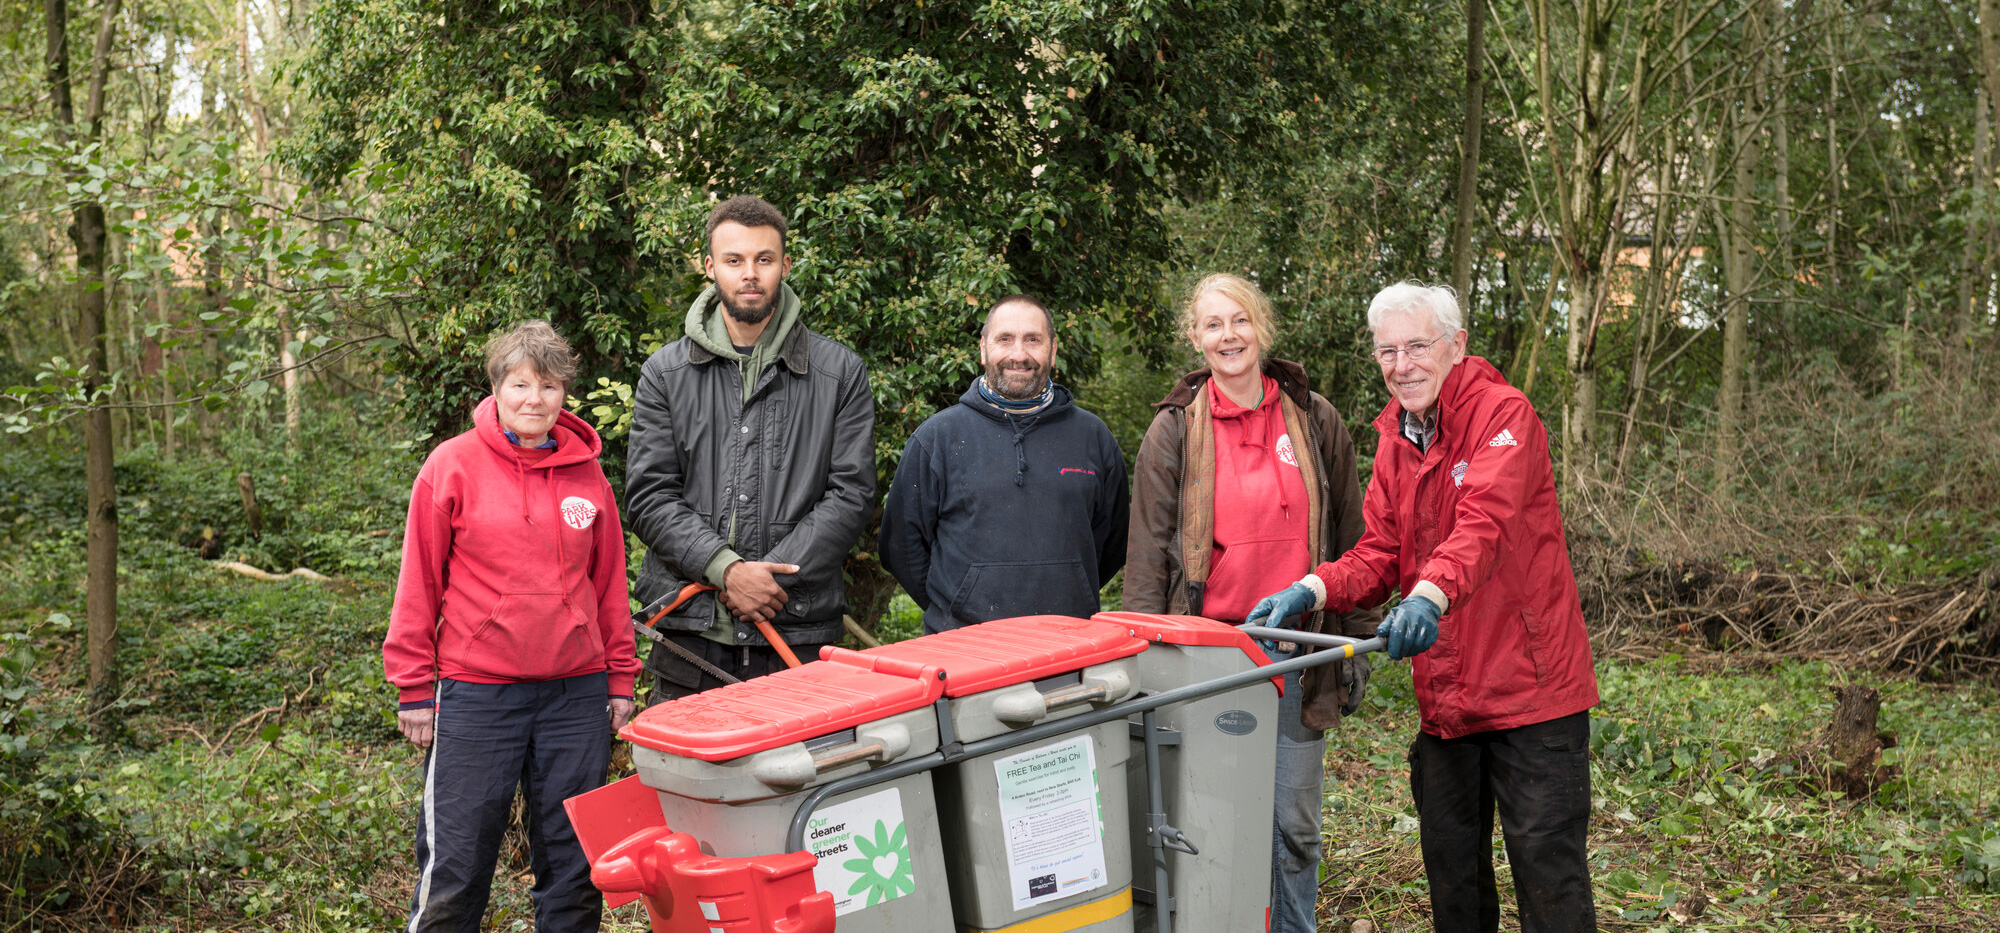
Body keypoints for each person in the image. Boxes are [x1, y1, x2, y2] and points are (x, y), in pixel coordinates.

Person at [1247, 281, 1601, 933]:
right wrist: (1313, 589)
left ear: (1457, 345)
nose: (1401, 364)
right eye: (1387, 351)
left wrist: (1428, 595)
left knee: (1549, 880)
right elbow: (1379, 550)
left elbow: (1482, 525)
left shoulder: (1505, 415)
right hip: (1449, 699)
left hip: (1532, 696)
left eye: (1416, 345)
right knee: (1453, 882)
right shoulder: (1396, 439)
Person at [1122, 273, 1371, 933]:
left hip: (1302, 652)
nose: (1227, 335)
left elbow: (1359, 539)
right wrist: (1142, 661)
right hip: (1209, 659)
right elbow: (1146, 553)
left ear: (1261, 326)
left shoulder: (1316, 419)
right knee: (1207, 817)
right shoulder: (1173, 430)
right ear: (1195, 337)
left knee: (1292, 823)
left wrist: (1359, 643)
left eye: (1239, 320)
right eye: (1212, 324)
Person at [383, 320, 638, 933]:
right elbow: (419, 582)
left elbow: (608, 588)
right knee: (457, 867)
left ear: (563, 396)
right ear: (497, 387)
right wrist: (414, 688)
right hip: (478, 695)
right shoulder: (452, 466)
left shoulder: (587, 475)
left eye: (549, 387)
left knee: (575, 870)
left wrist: (620, 681)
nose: (534, 399)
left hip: (575, 697)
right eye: (521, 384)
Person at [624, 195, 874, 699]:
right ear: (711, 267)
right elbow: (649, 496)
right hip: (690, 640)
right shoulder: (665, 374)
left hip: (797, 636)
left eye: (764, 259)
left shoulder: (839, 373)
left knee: (801, 779)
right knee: (688, 781)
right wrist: (727, 570)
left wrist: (769, 581)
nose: (750, 274)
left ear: (784, 264)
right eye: (735, 260)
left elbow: (851, 495)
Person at [879, 294, 1129, 632]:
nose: (1019, 355)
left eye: (1033, 340)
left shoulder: (1093, 437)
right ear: (983, 348)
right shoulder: (937, 438)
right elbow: (901, 546)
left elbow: (1112, 541)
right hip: (964, 649)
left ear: (1053, 350)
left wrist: (1073, 588)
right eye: (1005, 339)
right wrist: (956, 603)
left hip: (1069, 645)